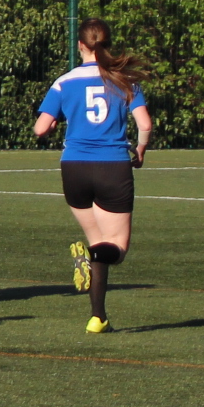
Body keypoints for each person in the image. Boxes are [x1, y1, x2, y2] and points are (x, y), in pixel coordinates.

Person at [33, 17, 152, 334]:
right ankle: (89, 257)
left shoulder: (64, 81)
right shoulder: (123, 80)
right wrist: (140, 149)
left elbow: (40, 128)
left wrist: (54, 123)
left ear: (80, 45)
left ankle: (98, 318)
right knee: (117, 250)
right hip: (112, 166)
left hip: (74, 167)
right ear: (107, 44)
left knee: (99, 244)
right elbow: (145, 124)